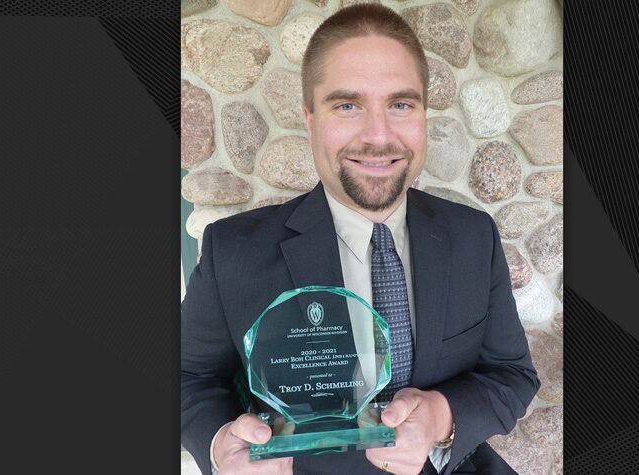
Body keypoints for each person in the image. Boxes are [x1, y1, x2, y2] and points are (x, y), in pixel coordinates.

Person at [181, 5, 539, 474]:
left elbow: (512, 376)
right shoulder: (234, 251)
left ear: (423, 115)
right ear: (310, 119)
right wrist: (217, 445)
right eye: (347, 105)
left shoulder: (474, 237)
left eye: (400, 104)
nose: (378, 136)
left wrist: (441, 416)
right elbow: (189, 378)